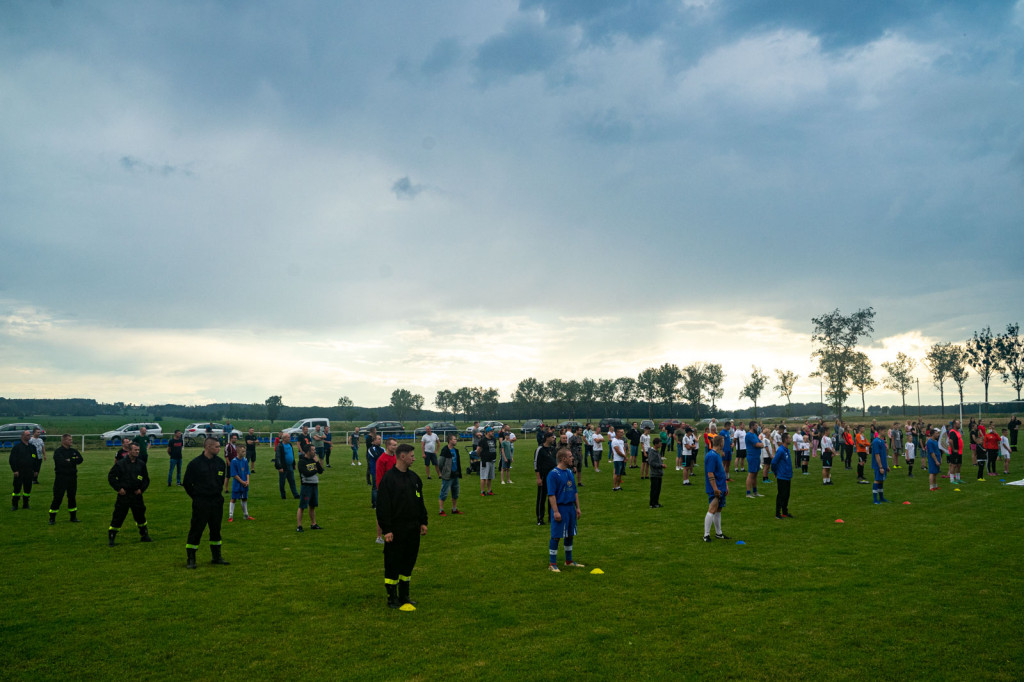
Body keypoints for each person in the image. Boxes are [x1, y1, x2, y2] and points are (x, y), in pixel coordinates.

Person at [376, 444, 428, 610]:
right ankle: (392, 598)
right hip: (396, 530)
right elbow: (383, 506)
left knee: (408, 562)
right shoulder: (389, 479)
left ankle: (404, 595)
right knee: (393, 563)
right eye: (411, 455)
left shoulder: (414, 478)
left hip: (412, 529)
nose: (414, 458)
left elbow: (420, 501)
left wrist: (423, 521)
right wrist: (387, 530)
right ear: (402, 456)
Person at [183, 437, 230, 568]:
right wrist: (196, 496)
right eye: (216, 447)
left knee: (216, 529)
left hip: (216, 502)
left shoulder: (220, 463)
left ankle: (216, 556)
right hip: (201, 502)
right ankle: (191, 558)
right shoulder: (195, 464)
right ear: (208, 447)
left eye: (219, 446)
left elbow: (221, 482)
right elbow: (187, 483)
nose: (219, 449)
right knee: (196, 529)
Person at [547, 448, 584, 572]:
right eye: (569, 456)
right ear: (563, 459)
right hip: (560, 507)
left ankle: (569, 561)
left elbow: (575, 492)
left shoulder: (569, 472)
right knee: (556, 535)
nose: (572, 458)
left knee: (570, 534)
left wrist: (577, 507)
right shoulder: (553, 474)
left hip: (570, 508)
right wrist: (556, 511)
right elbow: (551, 495)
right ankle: (552, 564)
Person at [106, 442, 151, 546]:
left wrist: (141, 489)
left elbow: (146, 479)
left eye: (138, 450)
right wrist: (118, 488)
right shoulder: (120, 464)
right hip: (124, 495)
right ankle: (112, 537)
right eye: (135, 450)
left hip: (136, 495)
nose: (137, 452)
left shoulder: (141, 464)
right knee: (118, 516)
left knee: (140, 515)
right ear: (129, 451)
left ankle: (144, 535)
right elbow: (111, 477)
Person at [48, 433, 83, 524]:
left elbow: (80, 460)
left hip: (72, 478)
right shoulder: (58, 452)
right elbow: (61, 463)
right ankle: (52, 518)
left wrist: (70, 460)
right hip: (61, 478)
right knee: (58, 497)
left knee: (72, 497)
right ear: (63, 441)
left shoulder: (73, 451)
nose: (71, 441)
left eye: (71, 439)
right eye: (69, 440)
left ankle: (73, 517)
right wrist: (72, 460)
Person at [703, 435, 729, 542]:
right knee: (712, 509)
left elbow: (721, 472)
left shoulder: (717, 455)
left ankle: (719, 533)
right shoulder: (712, 456)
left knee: (718, 509)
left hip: (721, 487)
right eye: (723, 442)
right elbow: (710, 473)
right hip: (715, 488)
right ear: (720, 443)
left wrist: (725, 485)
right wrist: (715, 488)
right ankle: (706, 535)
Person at [296, 443, 324, 532]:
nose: (314, 451)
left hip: (314, 485)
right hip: (306, 487)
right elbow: (306, 473)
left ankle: (313, 524)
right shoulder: (302, 462)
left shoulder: (313, 460)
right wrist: (315, 470)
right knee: (302, 506)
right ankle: (299, 526)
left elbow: (321, 471)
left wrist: (317, 462)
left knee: (312, 506)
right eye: (312, 450)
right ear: (308, 451)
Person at [534, 431, 557, 525]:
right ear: (547, 438)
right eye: (552, 437)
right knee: (541, 498)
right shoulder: (540, 449)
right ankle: (540, 518)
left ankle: (551, 517)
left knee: (552, 497)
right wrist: (538, 478)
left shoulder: (553, 449)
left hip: (553, 477)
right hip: (543, 476)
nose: (554, 439)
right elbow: (536, 464)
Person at [10, 430, 36, 510]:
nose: (29, 436)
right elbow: (12, 460)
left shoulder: (32, 447)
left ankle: (26, 504)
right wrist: (15, 470)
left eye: (29, 435)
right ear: (22, 436)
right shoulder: (17, 447)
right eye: (27, 435)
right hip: (19, 471)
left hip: (29, 471)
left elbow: (35, 459)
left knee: (27, 489)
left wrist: (35, 470)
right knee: (17, 489)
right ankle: (15, 505)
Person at [437, 435, 463, 516]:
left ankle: (454, 509)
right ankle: (441, 510)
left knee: (455, 493)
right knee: (444, 493)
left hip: (455, 475)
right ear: (450, 440)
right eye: (455, 439)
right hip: (447, 476)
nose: (456, 440)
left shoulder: (456, 450)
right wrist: (443, 473)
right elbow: (440, 463)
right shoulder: (445, 450)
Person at [771, 432, 794, 519]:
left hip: (788, 476)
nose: (790, 439)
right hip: (782, 476)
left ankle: (785, 512)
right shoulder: (780, 450)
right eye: (789, 438)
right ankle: (777, 513)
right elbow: (773, 462)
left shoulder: (787, 450)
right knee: (781, 495)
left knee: (787, 495)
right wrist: (775, 472)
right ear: (785, 440)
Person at [228, 447, 253, 522]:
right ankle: (230, 515)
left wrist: (247, 481)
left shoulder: (245, 460)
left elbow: (247, 472)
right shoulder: (234, 461)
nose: (244, 453)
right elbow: (234, 474)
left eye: (245, 451)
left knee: (245, 498)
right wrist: (242, 482)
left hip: (245, 483)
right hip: (237, 483)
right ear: (238, 452)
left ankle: (246, 515)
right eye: (242, 451)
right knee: (234, 498)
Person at [274, 430, 300, 499]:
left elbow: (292, 454)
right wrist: (280, 467)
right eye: (288, 437)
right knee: (282, 482)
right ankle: (283, 495)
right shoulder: (280, 446)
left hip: (290, 466)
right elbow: (278, 457)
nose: (290, 438)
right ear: (284, 438)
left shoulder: (290, 444)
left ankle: (296, 494)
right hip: (284, 467)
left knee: (292, 481)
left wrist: (294, 463)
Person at [744, 421, 764, 498]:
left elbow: (760, 443)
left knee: (755, 474)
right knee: (751, 474)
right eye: (756, 426)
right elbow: (757, 444)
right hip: (752, 456)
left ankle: (755, 492)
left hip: (756, 456)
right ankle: (748, 493)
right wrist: (760, 445)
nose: (757, 427)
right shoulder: (749, 435)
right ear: (752, 426)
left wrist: (760, 444)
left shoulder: (755, 435)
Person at [476, 427, 498, 496]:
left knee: (490, 477)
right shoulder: (483, 440)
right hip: (485, 461)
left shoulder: (494, 440)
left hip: (492, 461)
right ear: (488, 432)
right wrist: (481, 456)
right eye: (491, 431)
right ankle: (482, 491)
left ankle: (489, 491)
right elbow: (478, 450)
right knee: (483, 477)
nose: (493, 432)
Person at [870, 430, 890, 504]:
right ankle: (875, 500)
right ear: (880, 431)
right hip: (878, 465)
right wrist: (880, 467)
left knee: (881, 480)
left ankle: (881, 498)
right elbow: (877, 454)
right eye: (884, 431)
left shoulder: (882, 441)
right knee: (877, 480)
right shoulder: (876, 441)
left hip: (883, 464)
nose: (885, 433)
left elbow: (884, 455)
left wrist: (886, 465)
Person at [367, 434, 385, 510]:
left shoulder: (382, 449)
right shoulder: (371, 449)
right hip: (375, 471)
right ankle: (374, 504)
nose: (380, 440)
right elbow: (377, 457)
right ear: (373, 441)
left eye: (380, 439)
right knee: (375, 487)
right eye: (378, 439)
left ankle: (382, 502)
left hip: (383, 471)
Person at [648, 437, 664, 508]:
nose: (661, 444)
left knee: (658, 490)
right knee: (654, 490)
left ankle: (656, 502)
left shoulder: (657, 451)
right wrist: (660, 465)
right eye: (660, 443)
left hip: (659, 473)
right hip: (654, 474)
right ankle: (652, 504)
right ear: (656, 444)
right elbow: (651, 462)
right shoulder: (652, 452)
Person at [948, 420, 964, 485]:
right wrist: (953, 449)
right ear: (954, 425)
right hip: (954, 451)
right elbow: (950, 441)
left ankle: (958, 478)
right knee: (953, 465)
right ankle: (952, 480)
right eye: (958, 424)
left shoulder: (957, 431)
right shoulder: (952, 432)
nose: (959, 425)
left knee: (959, 465)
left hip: (959, 451)